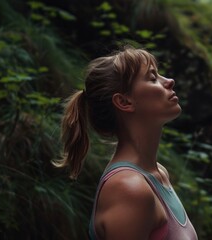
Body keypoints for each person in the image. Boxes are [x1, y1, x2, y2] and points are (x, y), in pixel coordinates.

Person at [54, 47, 198, 240]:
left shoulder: (158, 174)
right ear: (124, 102)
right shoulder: (129, 189)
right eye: (153, 78)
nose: (169, 81)